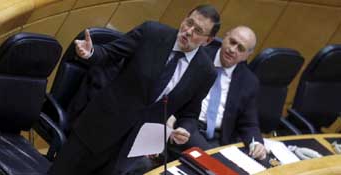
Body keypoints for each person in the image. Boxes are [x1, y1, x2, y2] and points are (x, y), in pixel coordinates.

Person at [49, 4, 221, 175]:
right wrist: (91, 52)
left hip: (130, 149)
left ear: (208, 41)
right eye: (189, 22)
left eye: (198, 30)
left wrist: (184, 128)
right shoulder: (151, 33)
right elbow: (110, 53)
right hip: (99, 128)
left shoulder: (205, 72)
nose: (189, 31)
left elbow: (190, 114)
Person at [168, 26, 267, 160]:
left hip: (217, 138)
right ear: (225, 37)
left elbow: (249, 123)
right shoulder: (198, 56)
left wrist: (257, 143)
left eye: (240, 48)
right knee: (217, 162)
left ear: (247, 55)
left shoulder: (249, 81)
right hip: (187, 125)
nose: (232, 50)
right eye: (232, 42)